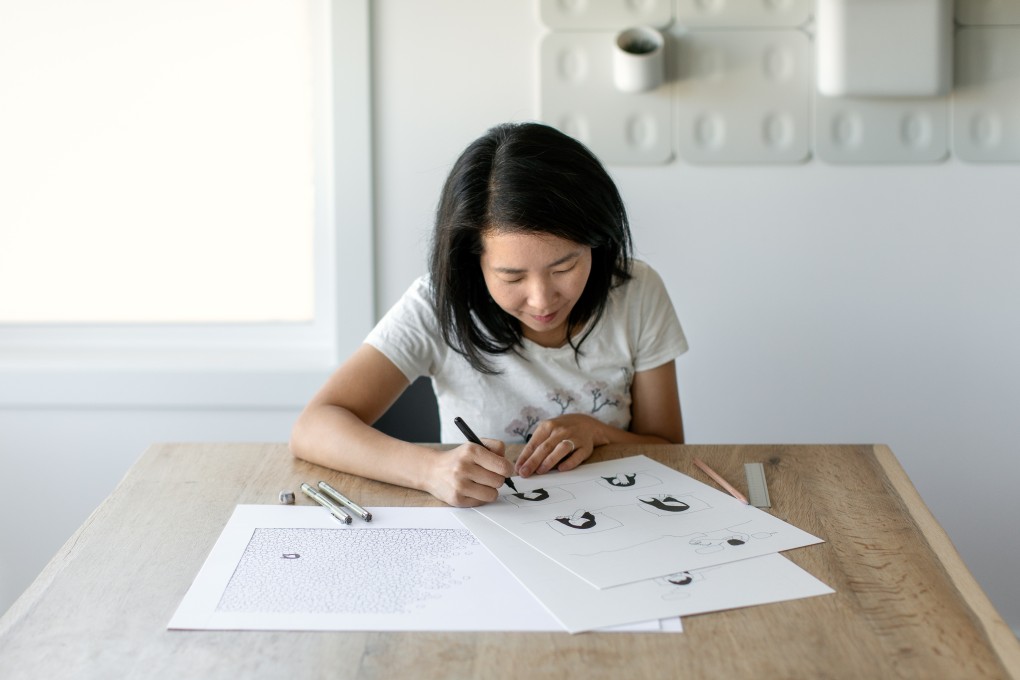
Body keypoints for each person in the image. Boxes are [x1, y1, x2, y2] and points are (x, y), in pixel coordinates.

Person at [290, 122, 687, 507]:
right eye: (511, 276)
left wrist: (595, 431)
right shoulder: (437, 304)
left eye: (564, 268)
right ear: (473, 262)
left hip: (619, 517)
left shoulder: (635, 290)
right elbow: (313, 427)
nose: (542, 300)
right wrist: (430, 470)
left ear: (597, 244)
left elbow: (668, 447)